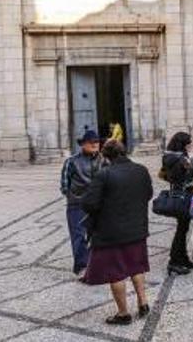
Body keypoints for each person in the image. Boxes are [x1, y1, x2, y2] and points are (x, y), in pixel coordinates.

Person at [80, 140, 153, 326]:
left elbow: (89, 204)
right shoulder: (141, 170)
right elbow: (149, 194)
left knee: (116, 272)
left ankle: (123, 313)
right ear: (124, 151)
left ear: (106, 155)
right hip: (137, 229)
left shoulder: (104, 174)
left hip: (111, 233)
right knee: (136, 266)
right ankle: (143, 303)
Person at [60, 130, 105, 278]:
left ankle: (97, 265)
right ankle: (81, 267)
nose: (94, 144)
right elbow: (64, 185)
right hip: (77, 204)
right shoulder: (71, 161)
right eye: (91, 142)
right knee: (78, 235)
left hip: (98, 204)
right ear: (83, 145)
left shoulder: (104, 160)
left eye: (97, 142)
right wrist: (74, 197)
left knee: (98, 234)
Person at [161, 132, 193, 275]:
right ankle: (174, 261)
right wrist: (190, 165)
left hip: (178, 194)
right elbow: (187, 175)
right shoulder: (180, 159)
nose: (189, 145)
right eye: (188, 142)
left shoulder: (168, 156)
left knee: (183, 228)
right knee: (181, 229)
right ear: (182, 144)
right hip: (184, 195)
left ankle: (182, 258)